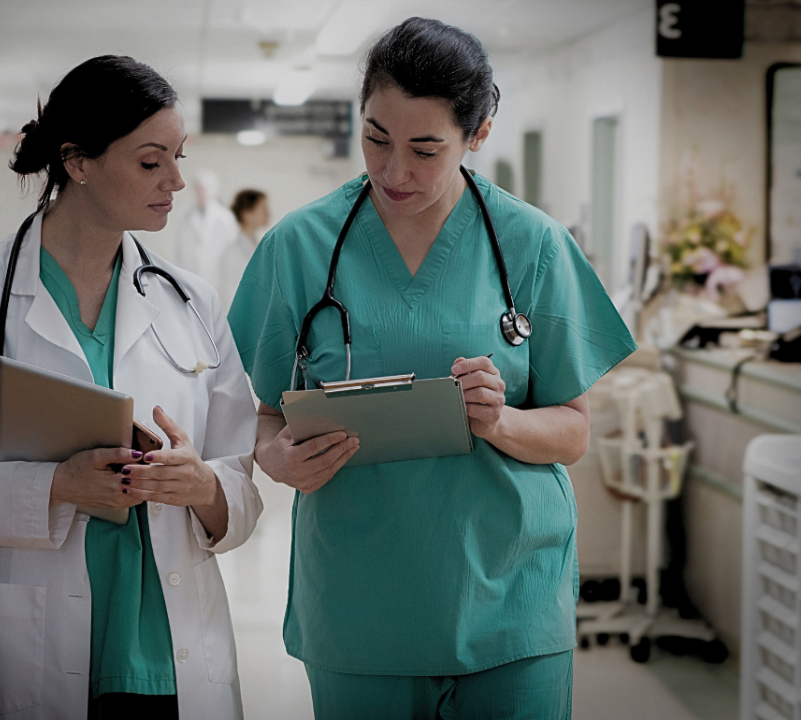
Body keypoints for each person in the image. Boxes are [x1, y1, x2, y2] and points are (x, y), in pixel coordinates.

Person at [227, 18, 636, 720]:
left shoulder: (532, 244)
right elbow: (259, 412)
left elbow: (572, 433)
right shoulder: (299, 246)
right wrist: (276, 457)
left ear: (477, 136)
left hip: (511, 601)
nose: (394, 172)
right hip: (361, 607)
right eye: (376, 138)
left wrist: (499, 419)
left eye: (425, 149)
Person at [0, 56, 262, 720]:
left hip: (173, 662)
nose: (176, 180)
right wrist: (54, 487)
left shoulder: (193, 302)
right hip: (27, 655)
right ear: (78, 161)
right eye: (151, 162)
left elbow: (241, 486)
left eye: (178, 156)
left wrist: (202, 487)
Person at [174, 170, 238, 286]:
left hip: (218, 279)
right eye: (198, 189)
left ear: (214, 190)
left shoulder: (225, 218)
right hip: (190, 277)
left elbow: (232, 253)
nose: (201, 193)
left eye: (204, 189)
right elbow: (177, 250)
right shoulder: (185, 217)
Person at [219, 189, 270, 307]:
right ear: (247, 214)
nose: (268, 214)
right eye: (263, 209)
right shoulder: (233, 251)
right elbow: (229, 293)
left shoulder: (259, 243)